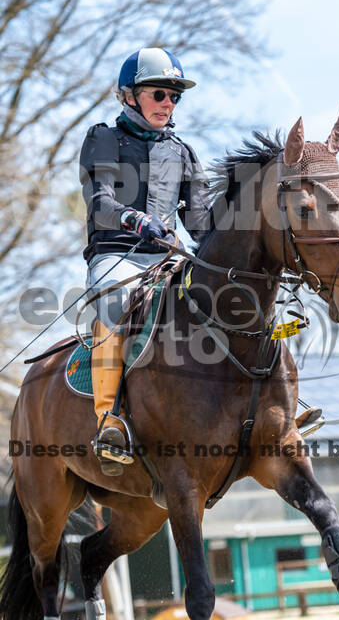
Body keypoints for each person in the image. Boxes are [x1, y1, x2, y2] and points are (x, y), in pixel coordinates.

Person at [79, 47, 210, 475]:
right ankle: (108, 419)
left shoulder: (184, 152)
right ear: (130, 96)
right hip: (117, 253)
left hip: (166, 256)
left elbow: (200, 223)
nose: (168, 104)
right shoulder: (103, 138)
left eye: (175, 97)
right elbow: (100, 203)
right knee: (115, 303)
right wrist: (136, 219)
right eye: (159, 94)